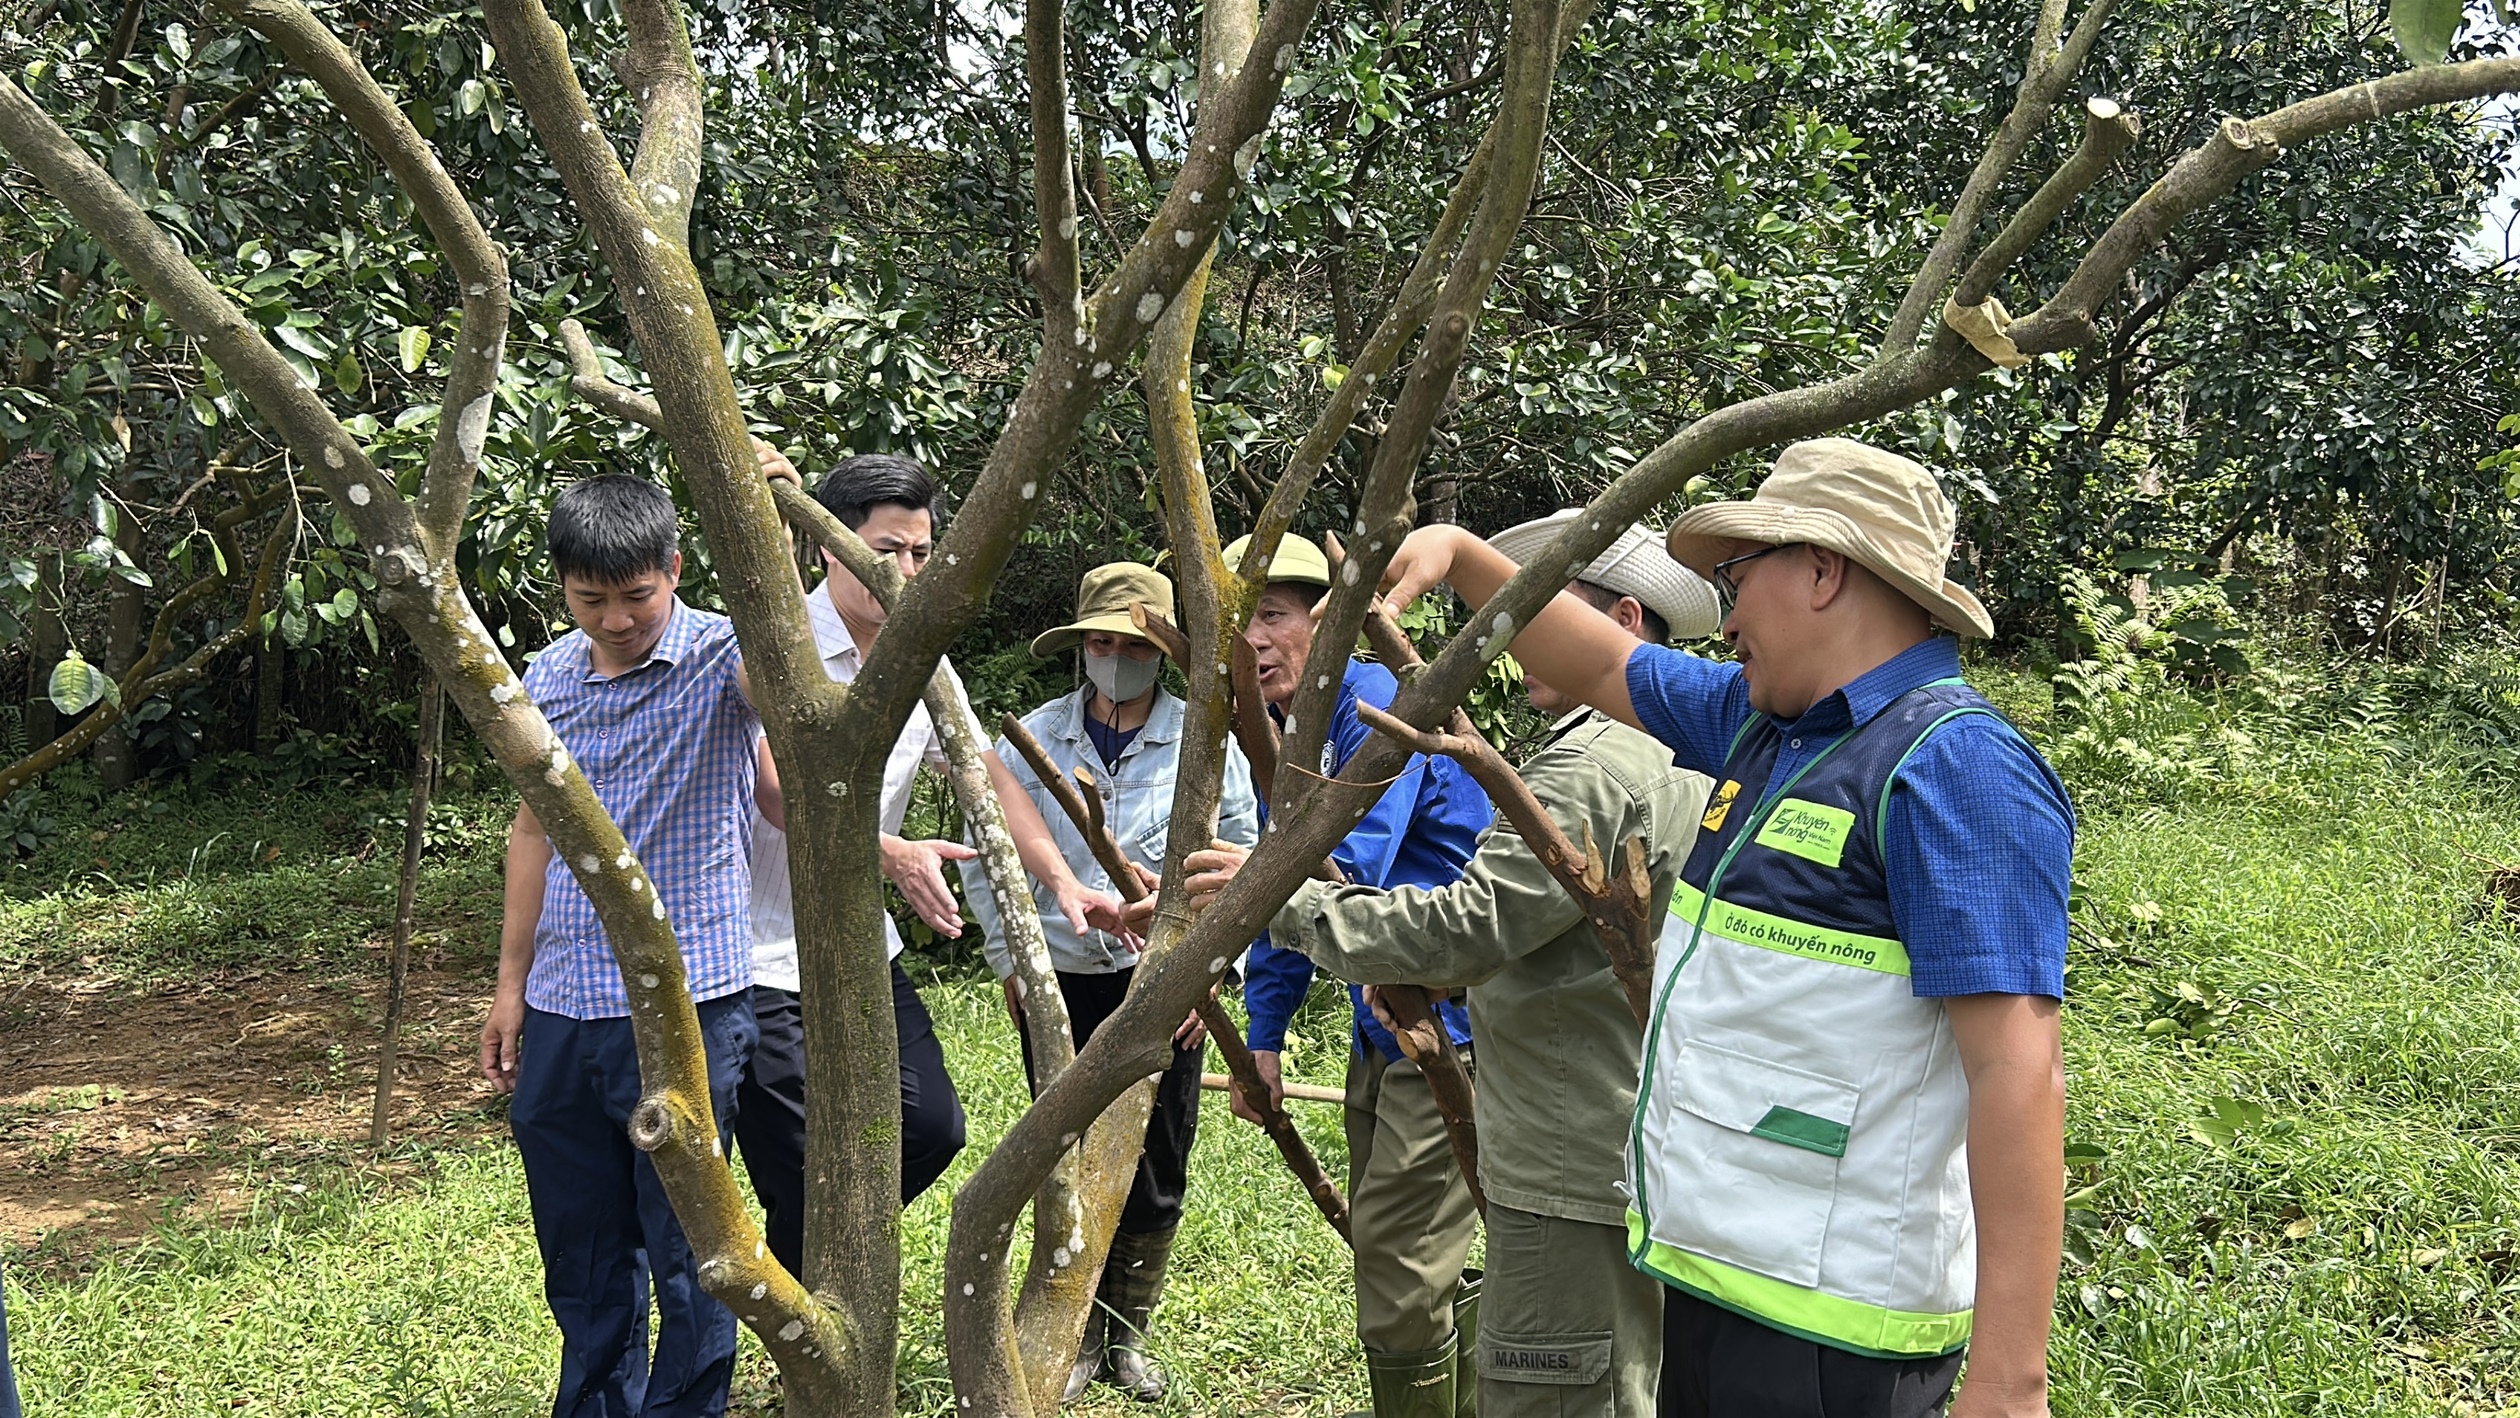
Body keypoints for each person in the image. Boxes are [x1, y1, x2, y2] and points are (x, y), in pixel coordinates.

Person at [1375, 439, 2075, 1418]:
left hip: (1836, 1333)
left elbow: (2017, 1071)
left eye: (1738, 579)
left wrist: (2010, 1379)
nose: (1729, 615)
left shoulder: (1952, 769)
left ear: (1824, 570)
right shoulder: (1764, 733)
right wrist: (1458, 553)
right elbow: (1598, 653)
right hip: (1712, 1287)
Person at [1185, 513, 1718, 1417]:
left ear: (1622, 624)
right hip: (1549, 1092)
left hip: (1551, 1117)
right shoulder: (1679, 750)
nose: (1515, 636)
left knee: (1535, 1363)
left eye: (1543, 612)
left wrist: (1274, 899)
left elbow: (1458, 926)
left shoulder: (1587, 768)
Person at [736, 451, 1125, 1277]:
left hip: (857, 946)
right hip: (753, 955)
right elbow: (776, 786)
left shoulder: (924, 659)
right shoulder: (777, 644)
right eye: (888, 550)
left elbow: (985, 774)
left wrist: (1064, 884)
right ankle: (803, 1332)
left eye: (921, 552)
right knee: (795, 1164)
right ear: (830, 547)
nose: (906, 570)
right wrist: (887, 853)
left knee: (932, 1126)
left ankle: (811, 1279)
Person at [478, 474, 763, 1418]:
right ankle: (595, 1404)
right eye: (590, 599)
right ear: (563, 588)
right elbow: (531, 831)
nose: (616, 620)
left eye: (637, 596)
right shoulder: (548, 679)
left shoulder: (725, 656)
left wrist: (766, 522)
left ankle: (688, 1408)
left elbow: (797, 686)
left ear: (674, 571)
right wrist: (510, 985)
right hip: (564, 997)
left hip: (687, 1000)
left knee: (688, 1245)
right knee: (581, 1240)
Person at [958, 560, 1261, 1403]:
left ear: (1160, 651)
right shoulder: (1033, 738)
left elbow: (1240, 864)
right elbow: (995, 858)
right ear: (1080, 646)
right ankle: (1076, 1323)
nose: (1115, 655)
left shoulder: (1211, 743)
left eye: (1132, 643)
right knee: (1063, 1152)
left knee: (1157, 1159)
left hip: (1160, 981)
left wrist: (1212, 971)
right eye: (1100, 639)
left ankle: (1130, 1332)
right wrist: (1011, 957)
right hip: (1058, 975)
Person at [1221, 530, 1495, 1418]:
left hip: (1448, 1035)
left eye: (1270, 617)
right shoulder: (1301, 729)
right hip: (1384, 1028)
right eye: (1238, 623)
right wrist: (1263, 1036)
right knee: (1404, 1259)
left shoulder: (1377, 704)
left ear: (1328, 622)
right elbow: (1287, 885)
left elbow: (1337, 875)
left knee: (1399, 1272)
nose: (1253, 643)